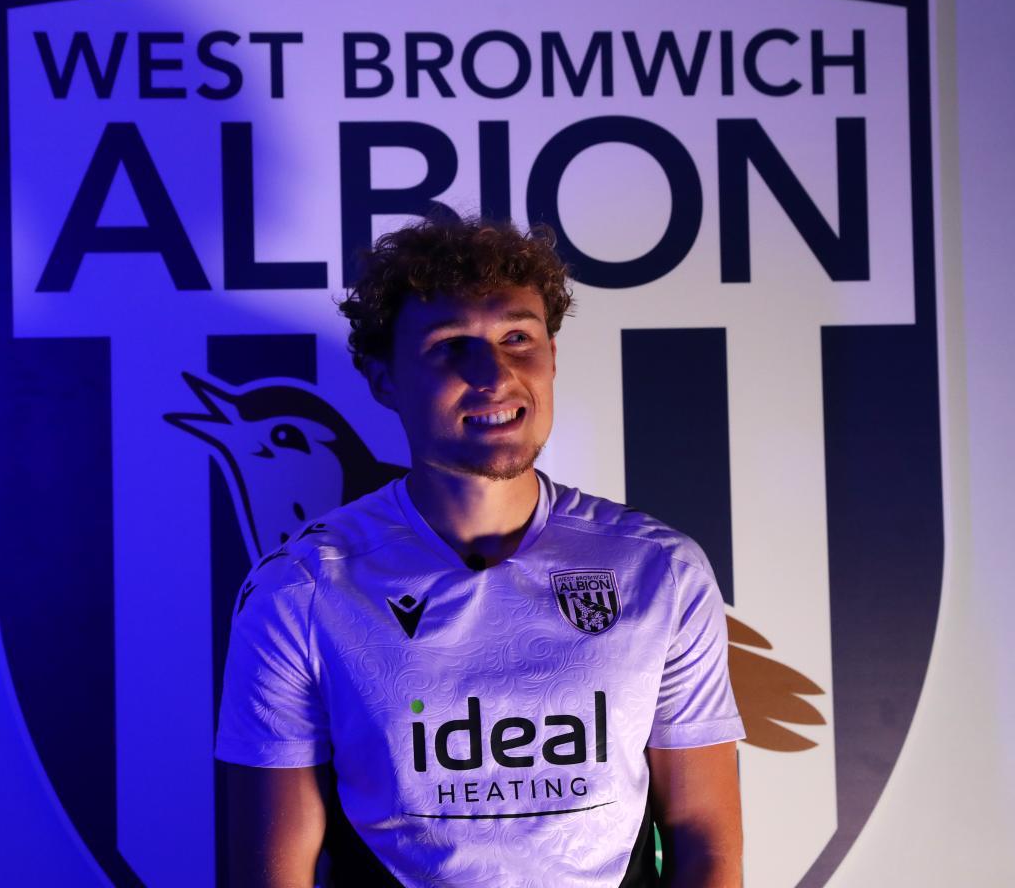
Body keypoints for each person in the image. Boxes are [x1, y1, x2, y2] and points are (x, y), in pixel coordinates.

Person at [215, 217, 745, 888]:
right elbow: (272, 873)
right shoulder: (299, 592)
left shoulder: (660, 572)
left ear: (551, 356)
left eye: (516, 338)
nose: (491, 375)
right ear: (383, 379)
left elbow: (704, 839)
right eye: (449, 347)